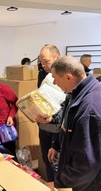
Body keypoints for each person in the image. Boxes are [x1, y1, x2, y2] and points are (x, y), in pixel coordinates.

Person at [48, 56, 101, 191]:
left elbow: (87, 163)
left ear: (68, 77)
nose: (54, 82)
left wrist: (60, 183)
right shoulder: (76, 93)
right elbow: (67, 123)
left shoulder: (89, 108)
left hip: (89, 184)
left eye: (55, 78)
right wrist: (57, 145)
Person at [35, 44, 65, 182]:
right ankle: (51, 184)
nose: (43, 65)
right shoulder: (43, 73)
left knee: (57, 163)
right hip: (44, 126)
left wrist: (53, 118)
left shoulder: (66, 76)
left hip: (57, 128)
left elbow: (66, 105)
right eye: (41, 62)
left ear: (57, 57)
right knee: (46, 160)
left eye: (46, 61)